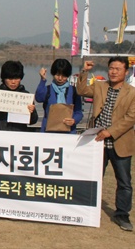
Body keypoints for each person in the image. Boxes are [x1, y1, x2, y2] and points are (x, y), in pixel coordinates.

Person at [77, 57, 135, 231]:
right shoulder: (100, 85)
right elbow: (81, 90)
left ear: (126, 72)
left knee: (124, 181)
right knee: (94, 177)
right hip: (97, 142)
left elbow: (131, 118)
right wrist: (84, 72)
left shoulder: (132, 92)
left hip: (120, 141)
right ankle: (89, 208)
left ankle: (122, 214)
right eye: (111, 68)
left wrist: (110, 132)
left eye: (118, 69)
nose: (114, 72)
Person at [0, 60, 38, 131]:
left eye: (16, 78)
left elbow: (33, 121)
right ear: (3, 78)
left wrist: (32, 112)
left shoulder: (25, 96)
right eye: (9, 78)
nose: (13, 82)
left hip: (17, 137)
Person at [35, 58, 83, 133]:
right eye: (57, 75)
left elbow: (78, 112)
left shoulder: (74, 91)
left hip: (68, 133)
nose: (60, 78)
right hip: (48, 133)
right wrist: (42, 80)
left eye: (64, 76)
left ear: (68, 75)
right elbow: (38, 98)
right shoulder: (48, 89)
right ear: (53, 73)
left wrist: (74, 120)